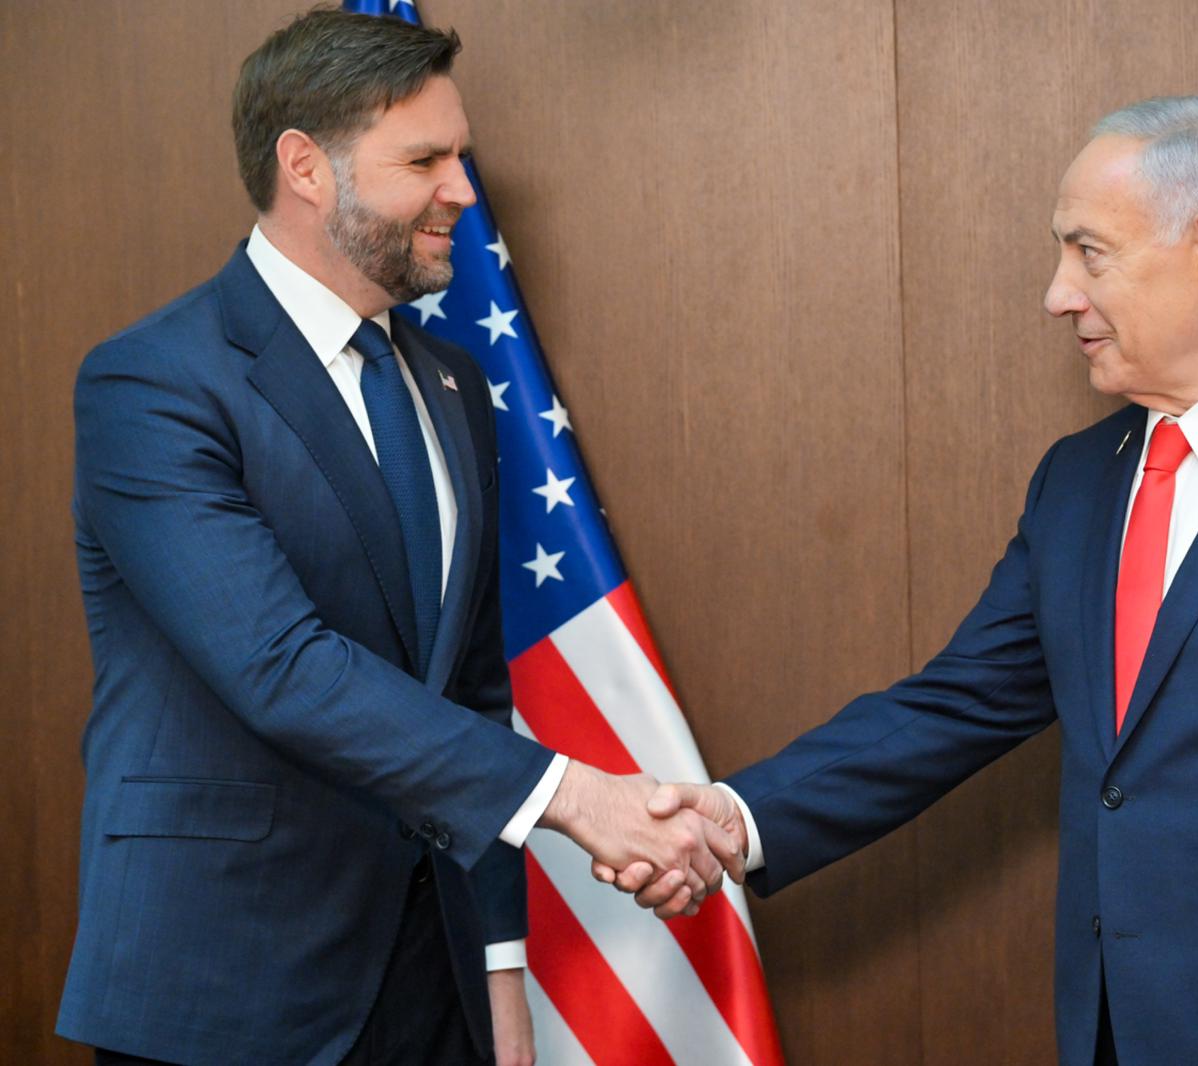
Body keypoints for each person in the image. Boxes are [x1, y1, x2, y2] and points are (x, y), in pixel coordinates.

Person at [611, 97, 1198, 1065]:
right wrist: (735, 818)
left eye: (1087, 253)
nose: (1057, 294)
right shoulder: (1078, 481)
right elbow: (954, 704)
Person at [56, 11, 737, 1066]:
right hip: (225, 984)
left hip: (434, 987)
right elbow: (277, 665)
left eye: (459, 155)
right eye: (425, 159)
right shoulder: (153, 384)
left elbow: (465, 692)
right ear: (305, 170)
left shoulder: (452, 384)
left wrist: (498, 971)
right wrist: (580, 797)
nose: (463, 191)